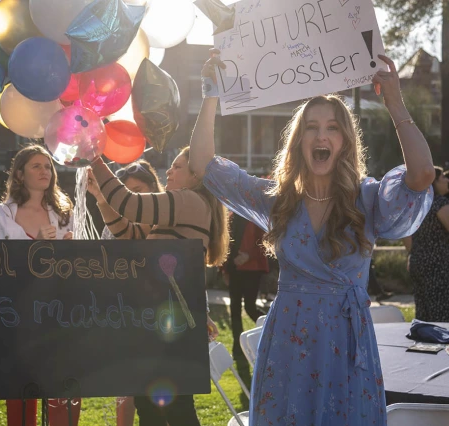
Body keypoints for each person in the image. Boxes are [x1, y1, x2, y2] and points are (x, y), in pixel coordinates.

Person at [190, 51, 434, 425]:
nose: (321, 135)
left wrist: (396, 102)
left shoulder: (367, 199)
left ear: (346, 140)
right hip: (289, 345)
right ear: (299, 139)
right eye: (312, 126)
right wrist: (210, 93)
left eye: (333, 127)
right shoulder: (277, 200)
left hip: (347, 347)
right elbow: (203, 163)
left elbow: (420, 176)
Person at [88, 146, 229, 426]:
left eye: (177, 167)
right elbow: (129, 234)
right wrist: (102, 201)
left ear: (195, 175)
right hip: (160, 321)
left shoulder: (189, 200)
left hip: (169, 325)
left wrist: (94, 158)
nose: (169, 171)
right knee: (152, 406)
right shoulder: (182, 206)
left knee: (175, 410)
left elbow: (129, 203)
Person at [0, 144, 79, 426]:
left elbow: (77, 269)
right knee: (22, 391)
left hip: (61, 313)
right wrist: (34, 246)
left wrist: (73, 254)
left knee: (64, 387)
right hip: (16, 315)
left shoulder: (64, 213)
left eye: (48, 166)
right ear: (20, 174)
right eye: (36, 166)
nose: (44, 171)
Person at [88, 159, 163, 426]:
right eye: (127, 190)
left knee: (157, 391)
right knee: (125, 385)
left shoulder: (163, 221)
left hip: (156, 318)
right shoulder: (112, 225)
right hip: (122, 314)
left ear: (154, 187)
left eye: (139, 189)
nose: (133, 196)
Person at [222, 212, 269, 357]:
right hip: (234, 268)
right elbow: (225, 243)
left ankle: (272, 332)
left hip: (252, 270)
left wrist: (248, 256)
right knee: (235, 309)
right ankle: (238, 348)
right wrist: (224, 269)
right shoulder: (230, 217)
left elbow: (266, 242)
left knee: (250, 307)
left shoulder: (255, 216)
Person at [406, 167, 449, 322]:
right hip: (439, 265)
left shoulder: (416, 205)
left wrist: (414, 253)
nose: (447, 180)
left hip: (418, 261)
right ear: (435, 182)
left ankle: (423, 343)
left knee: (423, 313)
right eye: (443, 177)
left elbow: (406, 234)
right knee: (442, 314)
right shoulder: (440, 203)